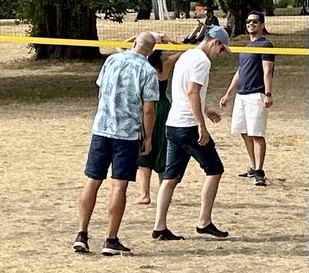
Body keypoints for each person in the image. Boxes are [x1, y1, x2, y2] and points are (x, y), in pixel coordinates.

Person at [72, 31, 159, 256]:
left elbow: (101, 92)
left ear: (134, 43)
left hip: (102, 128)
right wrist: (148, 137)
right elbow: (148, 109)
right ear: (151, 51)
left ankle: (81, 234)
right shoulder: (148, 71)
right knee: (119, 185)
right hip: (127, 134)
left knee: (92, 180)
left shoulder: (111, 60)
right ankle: (111, 239)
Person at [152, 25, 231, 241]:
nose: (220, 54)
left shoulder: (186, 56)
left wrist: (205, 110)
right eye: (221, 49)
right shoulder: (202, 61)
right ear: (214, 42)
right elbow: (192, 91)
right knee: (214, 169)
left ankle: (159, 226)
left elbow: (184, 93)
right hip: (187, 127)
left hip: (173, 124)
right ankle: (204, 222)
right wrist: (201, 125)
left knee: (170, 177)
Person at [219, 11, 276, 187]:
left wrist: (268, 94)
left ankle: (260, 171)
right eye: (248, 21)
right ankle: (253, 166)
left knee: (256, 134)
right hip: (241, 95)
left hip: (256, 94)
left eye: (255, 22)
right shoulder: (246, 47)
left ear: (262, 25)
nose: (251, 24)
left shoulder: (266, 45)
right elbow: (240, 72)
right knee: (244, 132)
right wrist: (228, 94)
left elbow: (267, 71)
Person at [135, 40, 178, 205]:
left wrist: (136, 39)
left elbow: (121, 47)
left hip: (147, 106)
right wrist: (168, 41)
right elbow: (186, 49)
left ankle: (144, 194)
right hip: (163, 108)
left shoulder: (141, 64)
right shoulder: (166, 63)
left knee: (144, 151)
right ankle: (163, 192)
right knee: (163, 147)